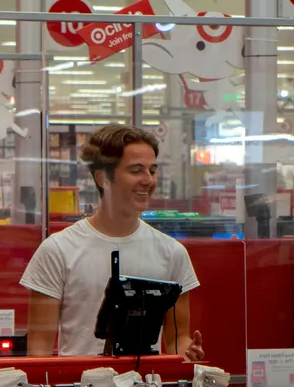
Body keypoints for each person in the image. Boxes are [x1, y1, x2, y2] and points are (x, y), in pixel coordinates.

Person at [21, 124, 205, 359]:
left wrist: (188, 352)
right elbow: (39, 348)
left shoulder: (172, 252)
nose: (148, 180)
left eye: (152, 170)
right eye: (136, 170)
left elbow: (177, 337)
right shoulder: (57, 250)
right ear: (103, 177)